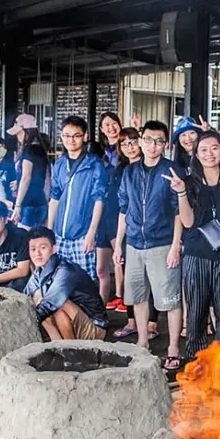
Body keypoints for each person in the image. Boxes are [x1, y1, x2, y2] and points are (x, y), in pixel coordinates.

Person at [164, 131, 220, 360]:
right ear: (196, 154)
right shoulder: (188, 182)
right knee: (196, 311)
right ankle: (196, 361)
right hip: (196, 254)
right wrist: (181, 193)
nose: (209, 154)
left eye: (214, 148)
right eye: (203, 149)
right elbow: (188, 222)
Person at [114, 120, 184, 370]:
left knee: (170, 299)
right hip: (134, 243)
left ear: (165, 145)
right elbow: (124, 208)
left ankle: (173, 347)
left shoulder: (172, 170)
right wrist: (118, 244)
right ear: (141, 141)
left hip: (162, 243)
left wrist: (175, 245)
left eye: (159, 141)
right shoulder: (130, 171)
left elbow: (178, 211)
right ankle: (143, 341)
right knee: (138, 296)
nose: (152, 145)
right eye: (148, 140)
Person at [111, 127, 162, 339]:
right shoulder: (122, 170)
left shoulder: (153, 167)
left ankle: (152, 324)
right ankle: (131, 321)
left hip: (155, 234)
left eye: (133, 142)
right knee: (132, 281)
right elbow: (122, 208)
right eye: (124, 144)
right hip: (129, 231)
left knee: (153, 280)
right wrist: (118, 241)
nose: (129, 147)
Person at [47, 116, 108, 281]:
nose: (71, 140)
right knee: (59, 281)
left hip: (82, 235)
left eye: (76, 135)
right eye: (67, 135)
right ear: (61, 136)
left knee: (84, 283)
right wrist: (50, 232)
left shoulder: (94, 164)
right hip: (60, 234)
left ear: (85, 136)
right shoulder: (60, 163)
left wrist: (91, 233)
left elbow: (99, 200)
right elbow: (54, 198)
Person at [25, 226, 108, 341]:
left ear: (54, 249)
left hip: (94, 328)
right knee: (37, 297)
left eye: (43, 248)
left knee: (57, 303)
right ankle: (57, 341)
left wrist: (28, 320)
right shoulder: (39, 272)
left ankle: (70, 346)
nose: (37, 253)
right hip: (74, 321)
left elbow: (53, 302)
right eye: (33, 249)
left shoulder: (65, 270)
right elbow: (25, 295)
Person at [95, 113, 123, 307]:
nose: (111, 127)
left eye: (114, 123)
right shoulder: (100, 152)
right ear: (102, 130)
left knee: (119, 255)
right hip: (101, 208)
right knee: (101, 265)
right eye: (107, 125)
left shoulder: (125, 150)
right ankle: (102, 303)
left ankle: (121, 295)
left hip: (118, 207)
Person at [7, 114, 50, 229]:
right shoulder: (41, 149)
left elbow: (26, 178)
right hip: (41, 202)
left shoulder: (28, 150)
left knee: (24, 237)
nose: (17, 136)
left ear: (27, 132)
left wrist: (18, 206)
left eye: (19, 133)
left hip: (28, 204)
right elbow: (43, 177)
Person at [0, 137, 17, 205]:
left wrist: (16, 184)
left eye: (2, 147)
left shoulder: (11, 165)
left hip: (7, 199)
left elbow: (15, 181)